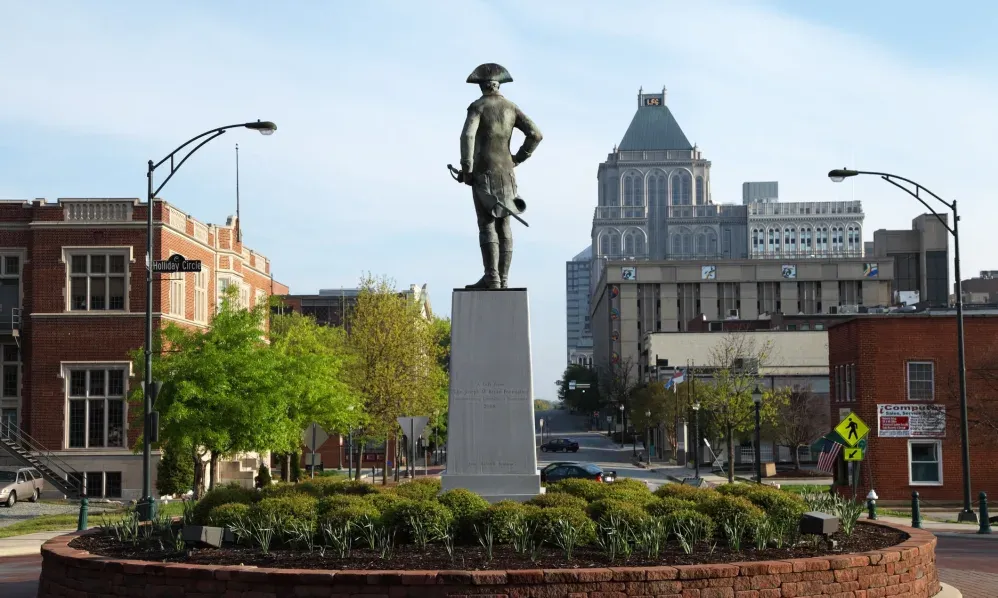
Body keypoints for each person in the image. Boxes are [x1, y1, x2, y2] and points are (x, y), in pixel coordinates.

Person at [458, 63, 543, 289]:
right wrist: (517, 158)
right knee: (504, 225)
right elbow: (535, 135)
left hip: (483, 173)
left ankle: (492, 277)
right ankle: (503, 279)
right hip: (507, 175)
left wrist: (467, 169)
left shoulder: (477, 107)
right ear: (497, 86)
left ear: (483, 87)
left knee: (487, 225)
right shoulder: (511, 108)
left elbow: (467, 136)